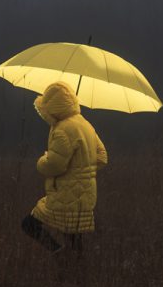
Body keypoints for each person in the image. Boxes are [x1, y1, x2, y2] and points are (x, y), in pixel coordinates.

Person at [21, 81, 108, 260]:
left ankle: (60, 256)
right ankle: (77, 280)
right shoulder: (85, 125)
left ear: (53, 107)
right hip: (86, 195)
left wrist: (42, 160)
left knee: (29, 224)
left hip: (66, 194)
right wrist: (82, 169)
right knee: (75, 243)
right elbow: (101, 157)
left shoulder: (62, 130)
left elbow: (54, 165)